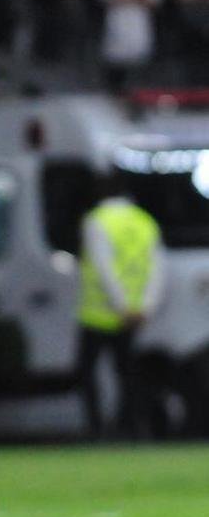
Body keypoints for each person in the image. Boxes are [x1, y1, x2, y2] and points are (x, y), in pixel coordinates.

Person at [76, 174, 164, 439]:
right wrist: (145, 307)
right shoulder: (144, 221)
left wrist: (121, 305)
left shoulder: (97, 220)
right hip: (135, 314)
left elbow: (104, 268)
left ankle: (96, 428)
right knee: (128, 375)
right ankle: (133, 427)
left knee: (87, 374)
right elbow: (158, 268)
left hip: (99, 314)